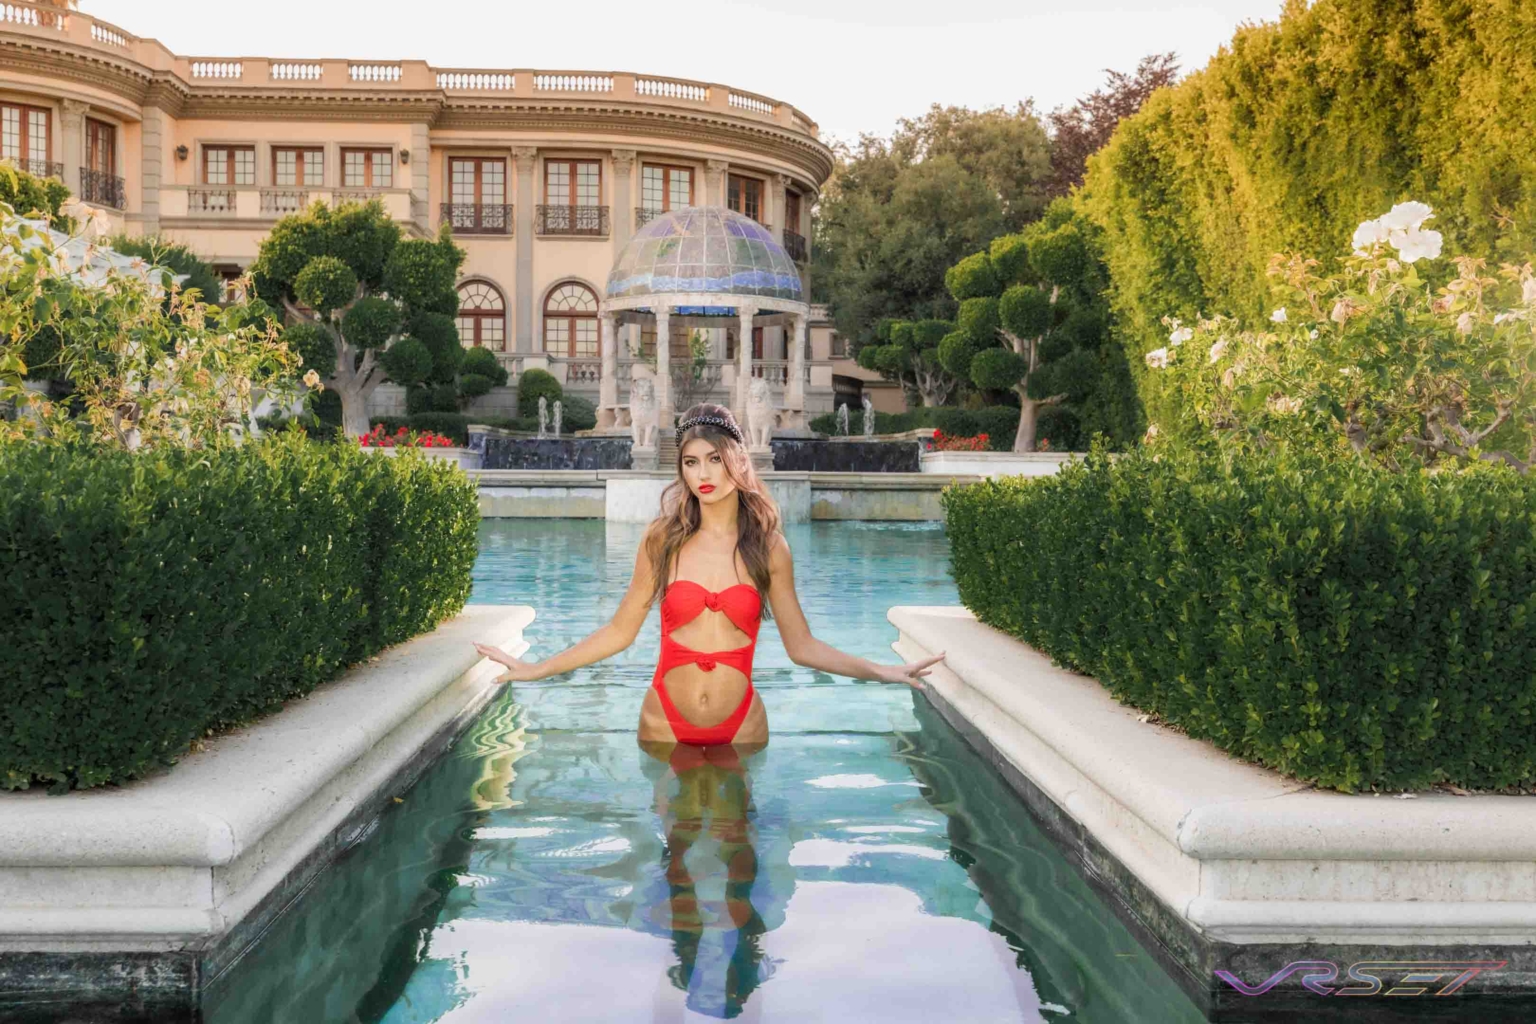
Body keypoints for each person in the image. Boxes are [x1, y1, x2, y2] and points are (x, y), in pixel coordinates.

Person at [473, 402, 944, 747]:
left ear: (737, 461)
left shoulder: (768, 546)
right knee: (675, 873)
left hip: (741, 727)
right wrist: (538, 670)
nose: (704, 474)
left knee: (740, 870)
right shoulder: (663, 539)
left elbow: (802, 648)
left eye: (715, 460)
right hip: (663, 722)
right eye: (692, 461)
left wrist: (882, 671)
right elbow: (619, 632)